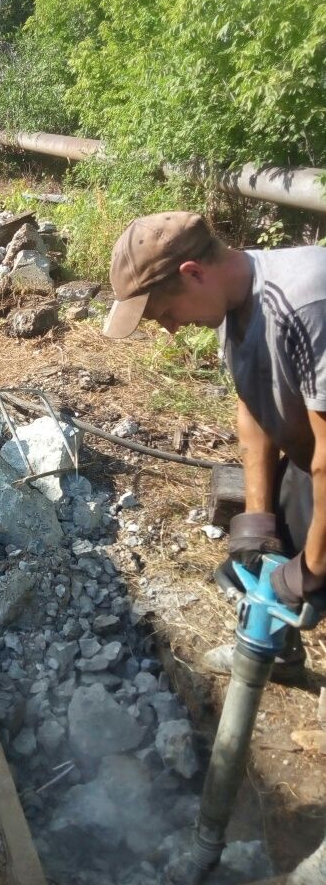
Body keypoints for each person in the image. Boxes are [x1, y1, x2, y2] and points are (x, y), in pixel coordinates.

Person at [103, 211, 326, 681]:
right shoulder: (229, 306)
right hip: (311, 461)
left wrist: (312, 570)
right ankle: (276, 655)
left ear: (193, 273)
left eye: (166, 312)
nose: (169, 329)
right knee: (273, 544)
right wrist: (257, 527)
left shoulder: (308, 301)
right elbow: (254, 411)